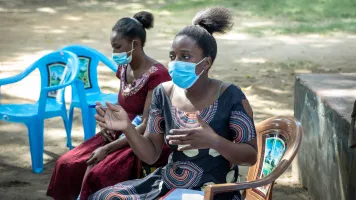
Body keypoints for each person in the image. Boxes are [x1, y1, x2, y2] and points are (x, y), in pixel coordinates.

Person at [91, 7, 258, 200]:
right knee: (105, 196)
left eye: (185, 57)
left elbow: (250, 156)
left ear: (206, 63)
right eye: (173, 56)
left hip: (216, 191)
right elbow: (151, 155)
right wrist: (127, 127)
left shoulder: (231, 96)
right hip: (170, 183)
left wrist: (214, 141)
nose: (176, 63)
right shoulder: (163, 93)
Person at [47, 11, 172, 200]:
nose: (114, 53)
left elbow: (147, 124)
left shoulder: (157, 75)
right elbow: (123, 104)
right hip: (117, 132)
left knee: (98, 173)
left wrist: (107, 148)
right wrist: (107, 122)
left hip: (141, 140)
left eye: (117, 47)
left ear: (135, 44)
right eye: (113, 47)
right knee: (67, 163)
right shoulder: (124, 67)